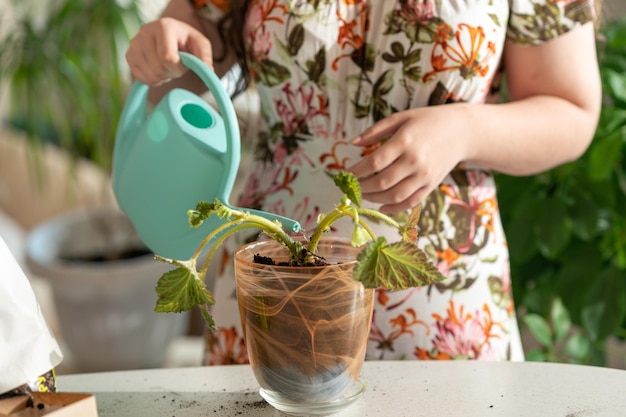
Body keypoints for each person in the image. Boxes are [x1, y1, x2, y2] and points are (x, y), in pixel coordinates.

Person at [125, 0, 601, 363]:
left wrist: (463, 130)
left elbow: (571, 108)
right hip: (274, 271)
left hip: (441, 295)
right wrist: (165, 52)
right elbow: (190, 64)